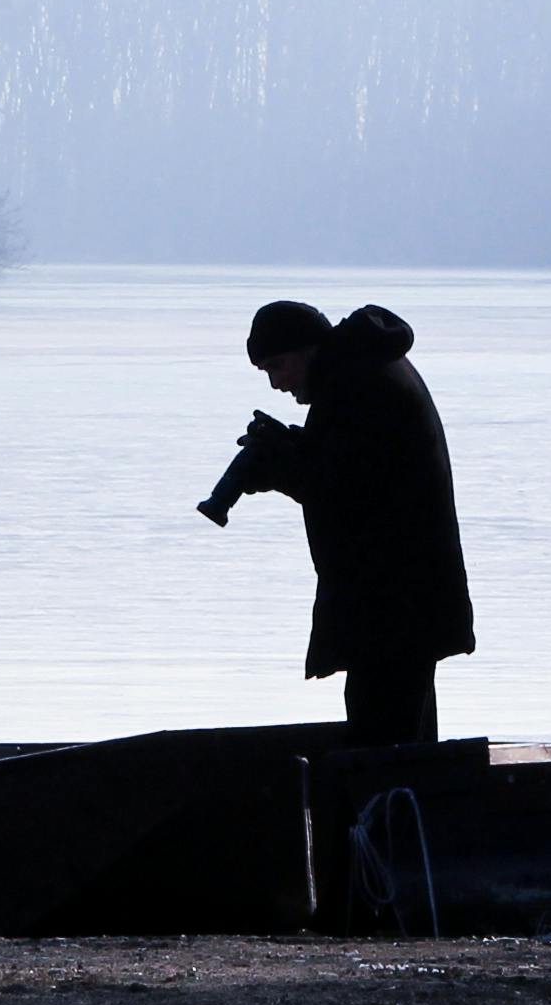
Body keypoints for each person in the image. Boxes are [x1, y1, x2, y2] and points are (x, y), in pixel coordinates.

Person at [197, 296, 473, 747]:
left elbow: (346, 490)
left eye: (277, 367)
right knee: (411, 746)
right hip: (407, 605)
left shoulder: (355, 386)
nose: (276, 383)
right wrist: (291, 448)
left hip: (391, 608)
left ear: (307, 349)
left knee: (383, 747)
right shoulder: (364, 372)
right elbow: (356, 465)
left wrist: (281, 468)